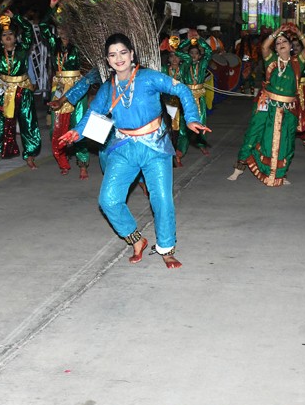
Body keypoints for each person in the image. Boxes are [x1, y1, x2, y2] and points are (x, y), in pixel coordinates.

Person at [59, 33, 207, 269]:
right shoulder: (108, 88)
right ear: (107, 61)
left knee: (161, 200)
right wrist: (77, 132)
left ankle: (166, 249)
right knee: (108, 200)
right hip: (124, 148)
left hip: (155, 147)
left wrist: (190, 118)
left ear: (132, 55)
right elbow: (93, 114)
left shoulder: (148, 78)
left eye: (123, 53)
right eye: (112, 55)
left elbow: (182, 90)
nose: (119, 58)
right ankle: (136, 240)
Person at [228, 23, 305, 186]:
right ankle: (239, 166)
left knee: (286, 142)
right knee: (255, 133)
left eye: (284, 42)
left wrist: (299, 33)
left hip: (289, 109)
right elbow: (265, 47)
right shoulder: (271, 60)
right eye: (278, 43)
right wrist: (277, 32)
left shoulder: (297, 63)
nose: (281, 44)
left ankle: (280, 173)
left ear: (291, 47)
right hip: (268, 106)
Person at [40, 0, 92, 179]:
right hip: (59, 86)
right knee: (56, 128)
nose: (62, 31)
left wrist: (74, 8)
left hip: (77, 87)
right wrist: (52, 6)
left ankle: (83, 163)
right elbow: (44, 26)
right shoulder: (53, 43)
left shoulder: (79, 45)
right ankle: (62, 161)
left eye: (66, 27)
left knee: (78, 125)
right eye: (60, 27)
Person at [0, 9, 40, 168]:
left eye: (10, 34)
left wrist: (15, 17)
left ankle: (30, 154)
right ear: (0, 40)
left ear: (16, 37)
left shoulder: (23, 49)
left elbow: (29, 29)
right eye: (4, 35)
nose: (7, 36)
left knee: (28, 122)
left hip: (23, 89)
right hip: (3, 88)